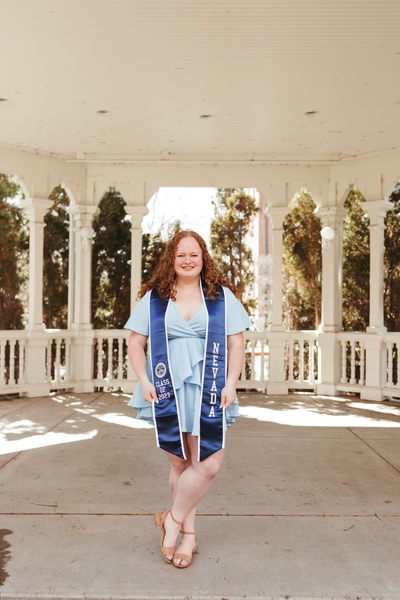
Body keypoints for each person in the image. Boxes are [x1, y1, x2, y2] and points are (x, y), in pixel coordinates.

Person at [125, 230, 252, 568]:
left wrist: (232, 383)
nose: (187, 260)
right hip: (166, 386)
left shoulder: (221, 297)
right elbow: (136, 343)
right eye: (181, 254)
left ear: (203, 258)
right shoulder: (154, 298)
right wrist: (143, 379)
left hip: (208, 386)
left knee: (208, 464)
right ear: (172, 259)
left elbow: (236, 344)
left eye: (193, 254)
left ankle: (171, 519)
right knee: (180, 465)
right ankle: (188, 536)